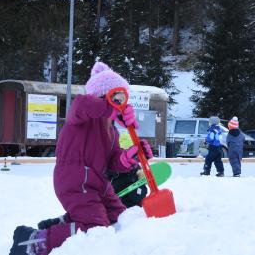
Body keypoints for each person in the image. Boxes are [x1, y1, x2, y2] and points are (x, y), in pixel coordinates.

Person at [9, 62, 153, 255]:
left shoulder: (112, 131)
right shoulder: (82, 116)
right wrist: (111, 109)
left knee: (121, 218)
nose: (122, 103)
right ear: (102, 97)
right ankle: (32, 241)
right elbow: (83, 104)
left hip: (99, 184)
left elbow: (113, 162)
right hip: (75, 180)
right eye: (117, 97)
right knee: (96, 229)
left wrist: (129, 157)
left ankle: (64, 223)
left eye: (124, 98)